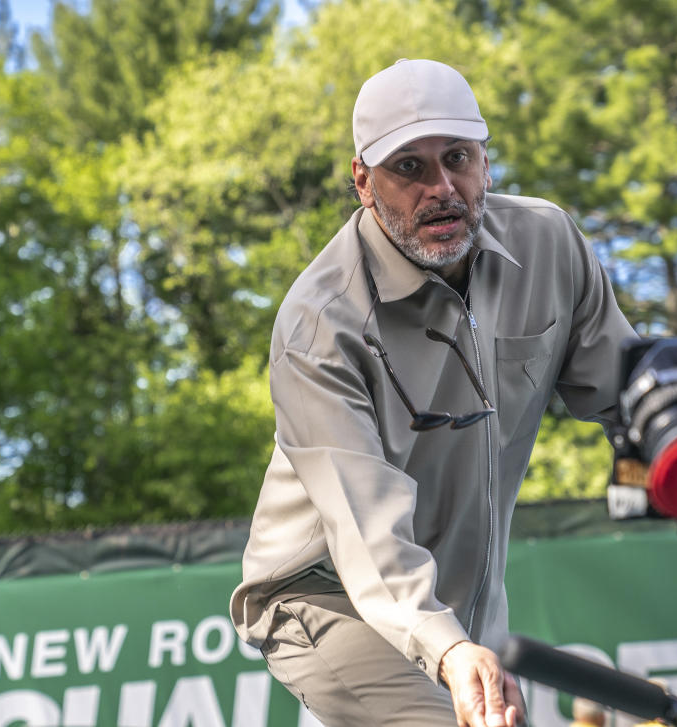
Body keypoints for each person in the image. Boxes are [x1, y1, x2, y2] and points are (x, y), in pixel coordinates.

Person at [230, 58, 636, 727]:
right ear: (363, 181)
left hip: (463, 610)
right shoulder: (319, 325)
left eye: (457, 158)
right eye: (409, 168)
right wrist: (448, 649)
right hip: (323, 597)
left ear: (487, 162)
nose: (441, 188)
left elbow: (633, 398)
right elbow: (367, 536)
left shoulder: (551, 244)